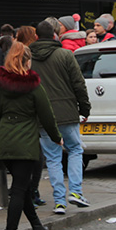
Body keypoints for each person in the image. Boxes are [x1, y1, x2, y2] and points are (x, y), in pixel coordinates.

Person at [0, 42, 60, 230]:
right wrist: (57, 137)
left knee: (24, 186)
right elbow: (47, 116)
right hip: (26, 142)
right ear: (27, 61)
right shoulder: (34, 86)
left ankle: (37, 226)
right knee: (20, 189)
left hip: (6, 141)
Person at [30, 19, 91, 215]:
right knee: (74, 148)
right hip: (67, 112)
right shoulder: (65, 55)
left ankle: (59, 202)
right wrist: (85, 108)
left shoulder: (29, 58)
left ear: (37, 36)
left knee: (53, 158)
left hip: (42, 116)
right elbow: (78, 84)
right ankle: (76, 191)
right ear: (55, 35)